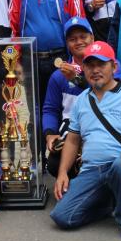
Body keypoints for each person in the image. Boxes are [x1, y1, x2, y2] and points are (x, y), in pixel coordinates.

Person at [50, 42, 121, 240]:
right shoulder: (81, 100)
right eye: (90, 65)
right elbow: (72, 140)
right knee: (62, 216)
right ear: (83, 69)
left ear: (114, 67)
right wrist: (63, 172)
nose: (95, 70)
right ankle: (109, 205)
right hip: (91, 171)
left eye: (101, 64)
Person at [10, 0, 83, 108]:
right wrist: (15, 62)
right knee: (32, 108)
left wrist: (76, 61)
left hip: (61, 58)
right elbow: (13, 29)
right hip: (30, 59)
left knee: (62, 108)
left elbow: (79, 26)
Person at [43, 17, 93, 178]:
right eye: (73, 39)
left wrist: (76, 79)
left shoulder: (108, 66)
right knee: (54, 164)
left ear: (92, 38)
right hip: (72, 134)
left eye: (83, 37)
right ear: (67, 44)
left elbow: (105, 93)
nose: (79, 42)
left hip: (101, 131)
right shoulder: (58, 76)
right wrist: (50, 133)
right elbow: (50, 109)